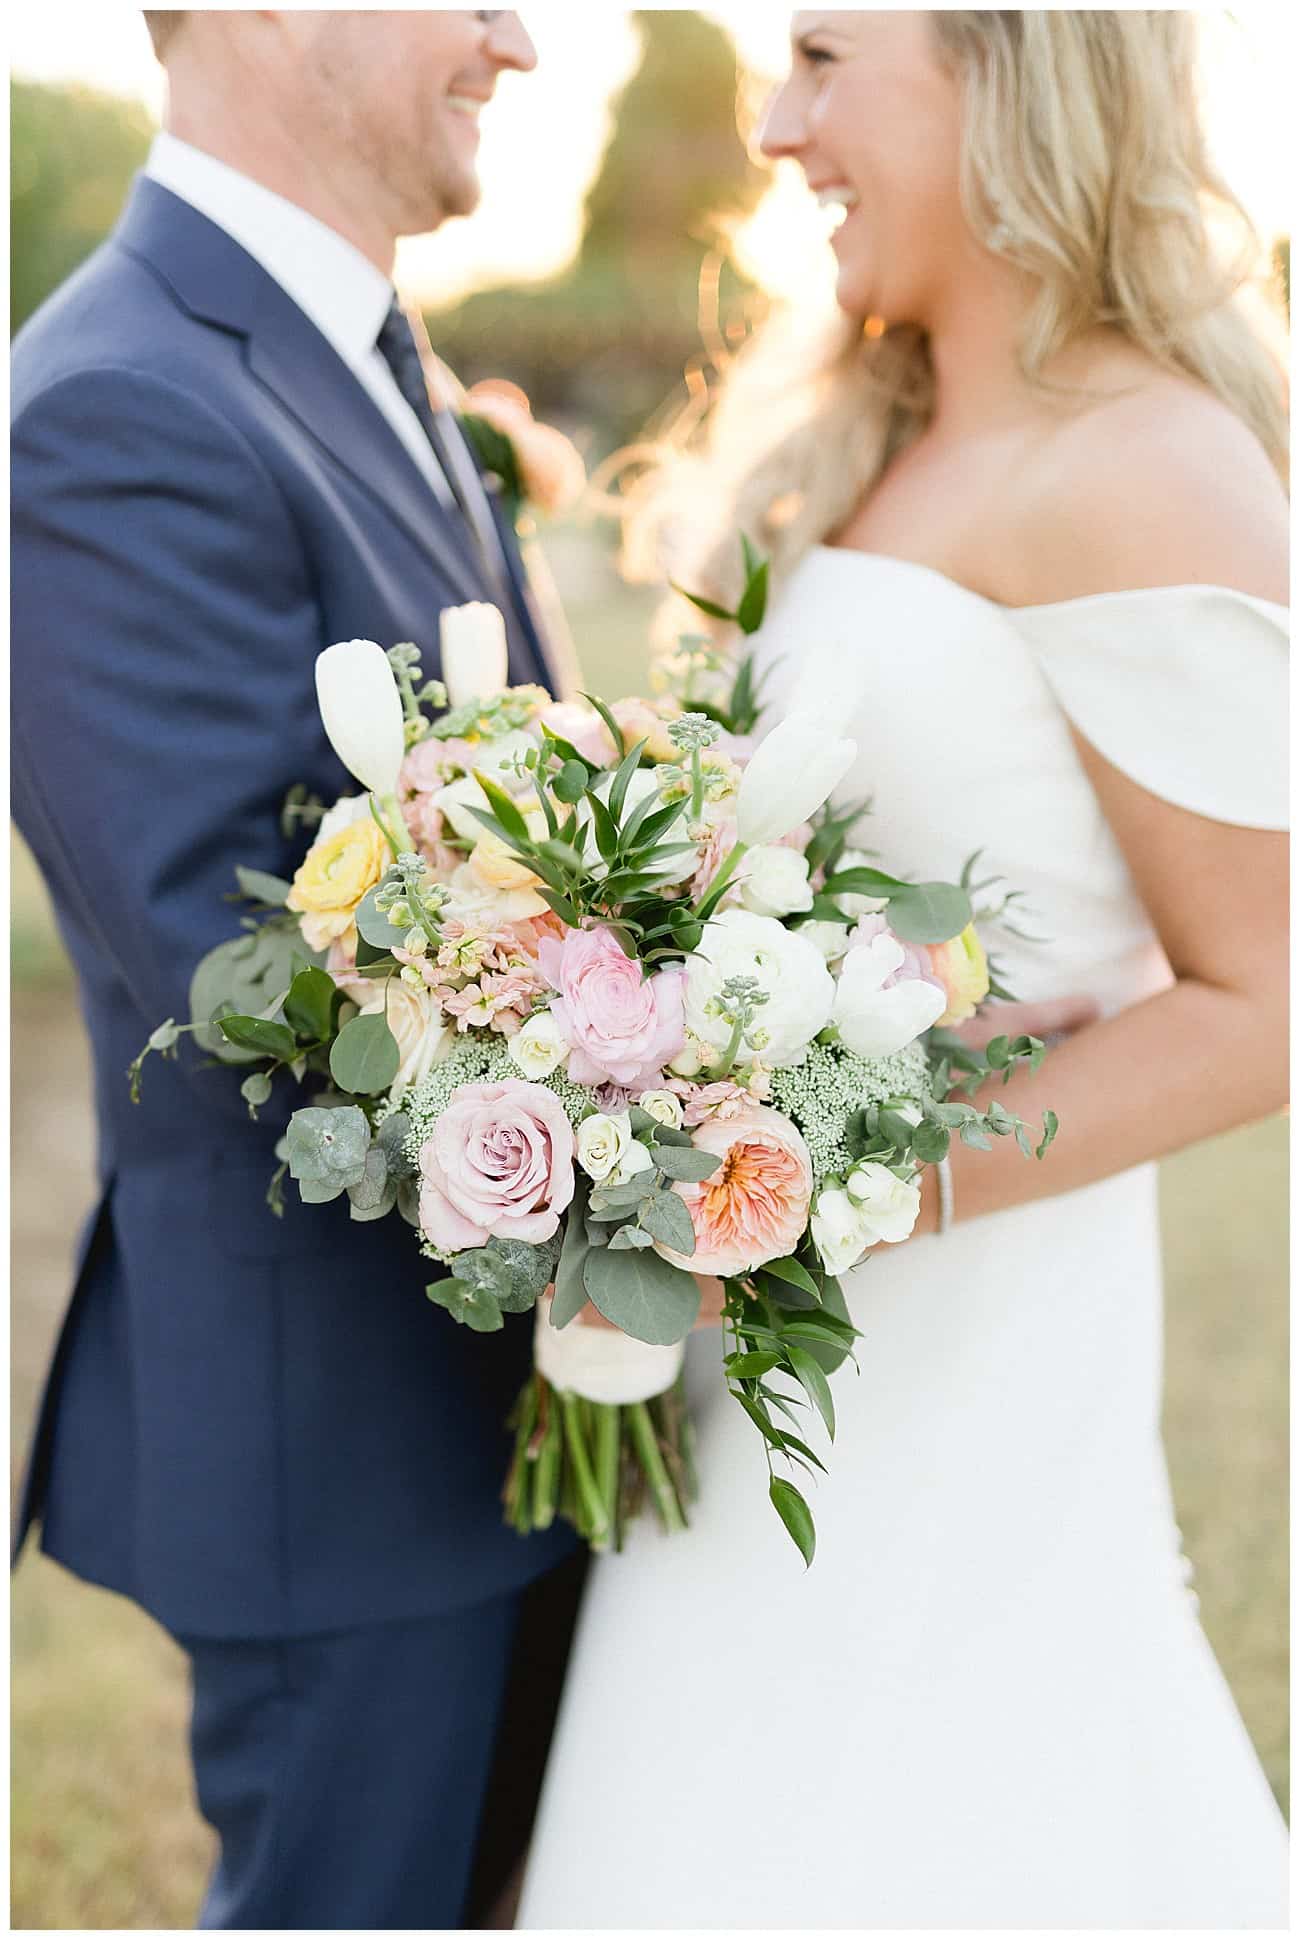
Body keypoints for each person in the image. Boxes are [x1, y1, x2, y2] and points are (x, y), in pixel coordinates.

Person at [518, 11, 1288, 1926]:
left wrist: (820, 1187)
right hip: (745, 1379)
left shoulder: (1151, 460)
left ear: (1011, 67)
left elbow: (1270, 997)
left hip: (964, 1381)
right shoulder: (883, 427)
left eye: (825, 59)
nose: (779, 131)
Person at [11, 10, 586, 1928]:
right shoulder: (112, 403)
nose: (514, 39)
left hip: (504, 1404)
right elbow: (225, 976)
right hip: (333, 1446)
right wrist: (664, 1084)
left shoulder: (385, 363)